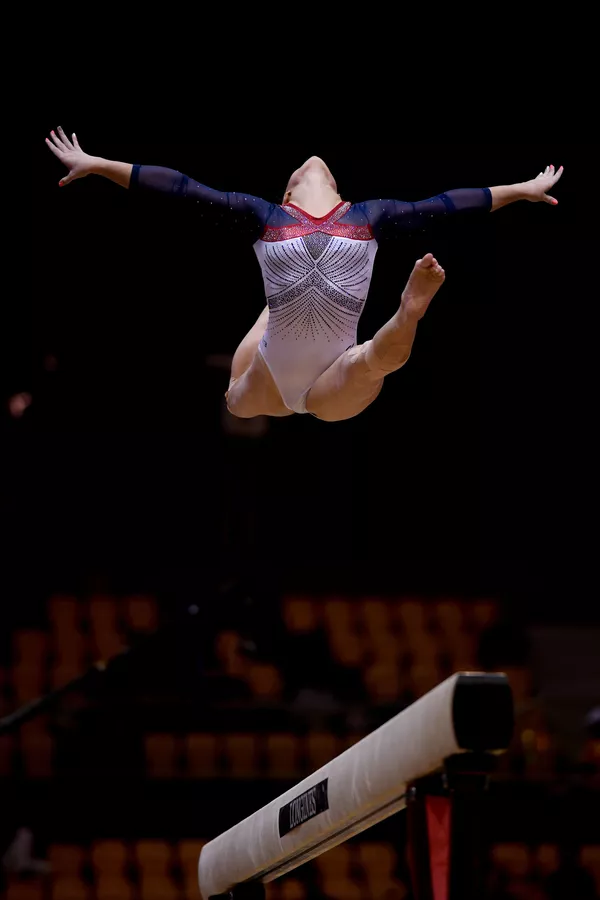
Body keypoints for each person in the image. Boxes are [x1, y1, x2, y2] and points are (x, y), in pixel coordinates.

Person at [46, 128, 564, 422]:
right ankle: (275, 316)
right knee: (235, 402)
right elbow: (182, 189)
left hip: (334, 377)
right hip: (271, 376)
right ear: (287, 194)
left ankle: (410, 311)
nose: (314, 162)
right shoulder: (263, 215)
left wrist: (521, 190)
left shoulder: (370, 216)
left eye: (328, 171)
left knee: (373, 363)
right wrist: (97, 163)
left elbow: (447, 205)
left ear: (339, 193)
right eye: (299, 170)